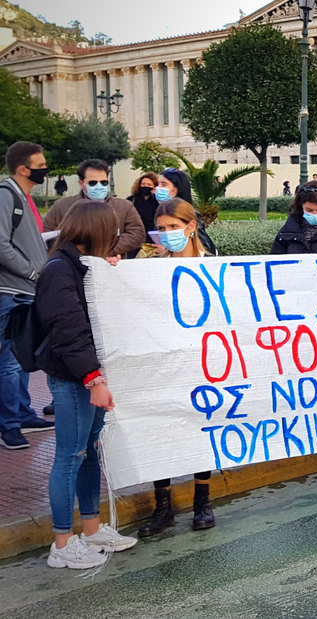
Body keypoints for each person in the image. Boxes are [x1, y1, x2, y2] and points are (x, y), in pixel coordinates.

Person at [37, 201, 137, 568]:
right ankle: (62, 544)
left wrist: (106, 272)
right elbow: (68, 330)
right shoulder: (59, 270)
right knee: (70, 456)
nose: (115, 236)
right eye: (111, 229)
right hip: (74, 376)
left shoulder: (78, 266)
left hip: (87, 373)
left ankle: (92, 530)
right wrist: (93, 379)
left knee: (89, 451)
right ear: (95, 230)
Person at [137, 198, 217, 535]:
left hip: (202, 362)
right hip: (161, 363)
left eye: (174, 227)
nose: (168, 234)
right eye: (163, 229)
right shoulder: (145, 266)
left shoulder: (211, 264)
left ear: (190, 227)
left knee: (200, 429)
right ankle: (163, 507)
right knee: (162, 431)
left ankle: (202, 501)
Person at [0, 142, 53, 450]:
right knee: (9, 361)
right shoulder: (7, 196)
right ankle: (9, 426)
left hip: (24, 290)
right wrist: (31, 271)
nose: (44, 168)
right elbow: (2, 245)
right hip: (12, 291)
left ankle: (21, 414)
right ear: (24, 169)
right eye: (40, 164)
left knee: (19, 359)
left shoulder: (21, 197)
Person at [44, 159, 145, 260]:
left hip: (112, 264)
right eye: (93, 183)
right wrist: (80, 251)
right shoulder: (62, 206)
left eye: (104, 182)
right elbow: (47, 236)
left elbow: (137, 234)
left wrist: (105, 250)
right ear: (81, 183)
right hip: (72, 265)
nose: (99, 186)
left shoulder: (124, 206)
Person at [127, 173, 160, 244]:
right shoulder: (131, 200)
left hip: (153, 239)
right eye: (143, 184)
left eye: (149, 185)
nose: (146, 186)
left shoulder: (158, 201)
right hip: (135, 238)